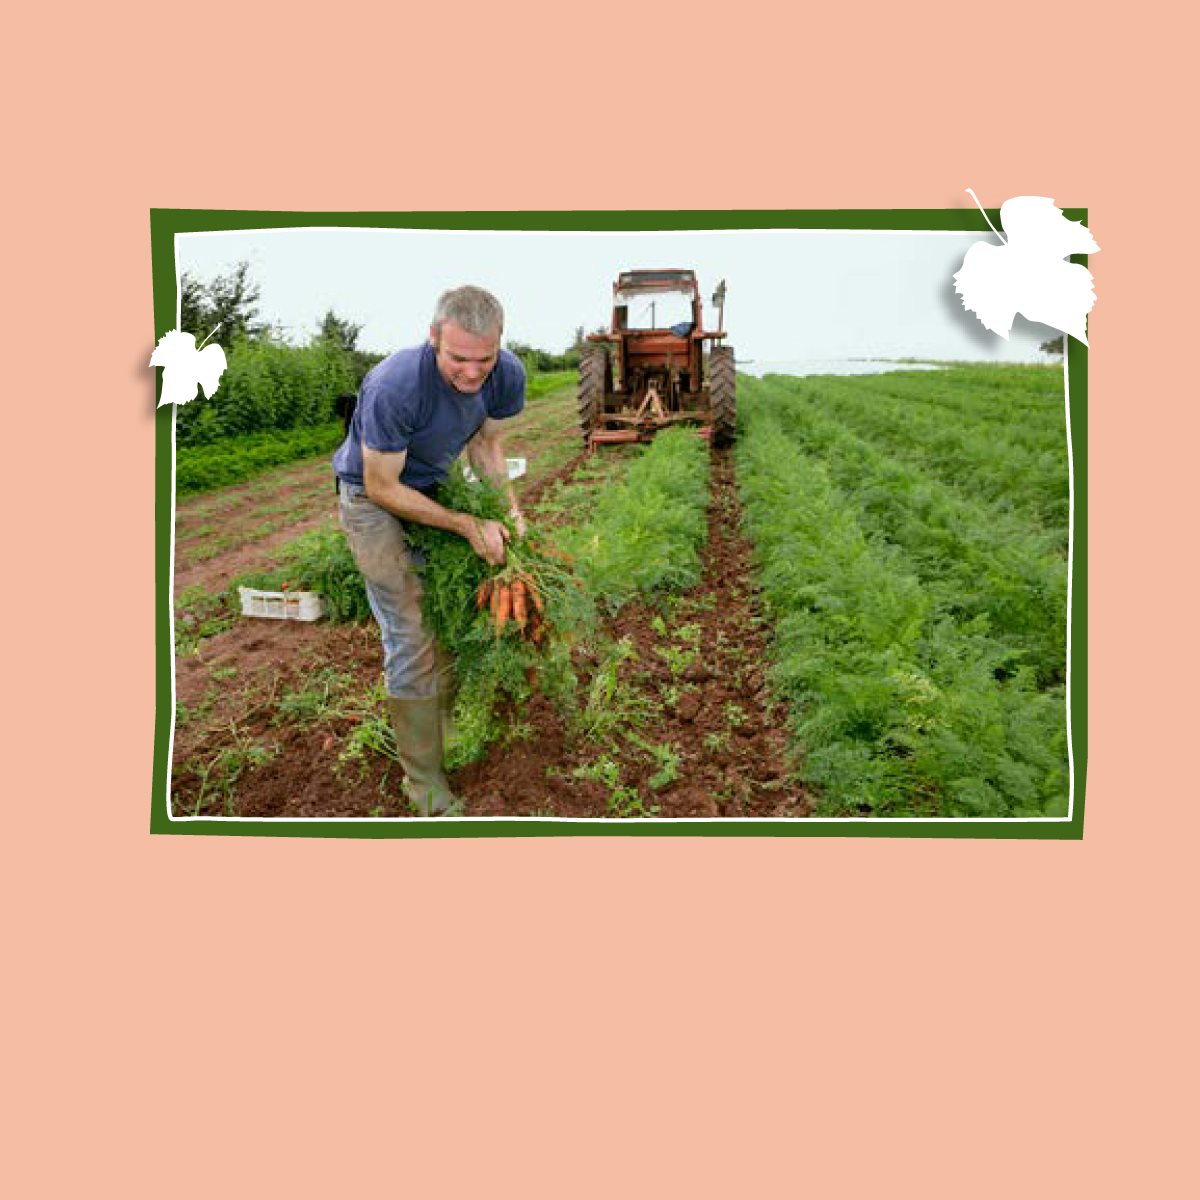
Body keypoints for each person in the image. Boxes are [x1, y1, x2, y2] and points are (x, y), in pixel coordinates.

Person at [332, 285, 527, 815]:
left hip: (435, 488)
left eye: (483, 359)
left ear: (499, 346)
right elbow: (382, 486)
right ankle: (424, 787)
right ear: (434, 337)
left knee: (446, 609)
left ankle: (438, 725)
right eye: (458, 359)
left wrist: (507, 510)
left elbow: (486, 446)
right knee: (411, 627)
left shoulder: (506, 374)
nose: (471, 374)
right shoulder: (398, 384)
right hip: (373, 497)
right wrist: (466, 524)